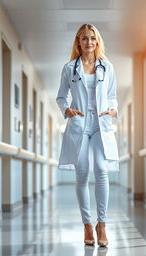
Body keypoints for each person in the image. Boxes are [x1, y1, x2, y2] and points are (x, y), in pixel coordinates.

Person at [56, 24, 119, 247]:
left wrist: (113, 110)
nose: (89, 42)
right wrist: (67, 110)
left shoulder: (107, 67)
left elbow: (112, 97)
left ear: (97, 41)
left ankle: (102, 224)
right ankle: (87, 225)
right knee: (82, 174)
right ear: (78, 42)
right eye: (84, 38)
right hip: (80, 124)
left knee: (101, 170)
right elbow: (61, 97)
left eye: (93, 38)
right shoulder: (69, 68)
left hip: (100, 124)